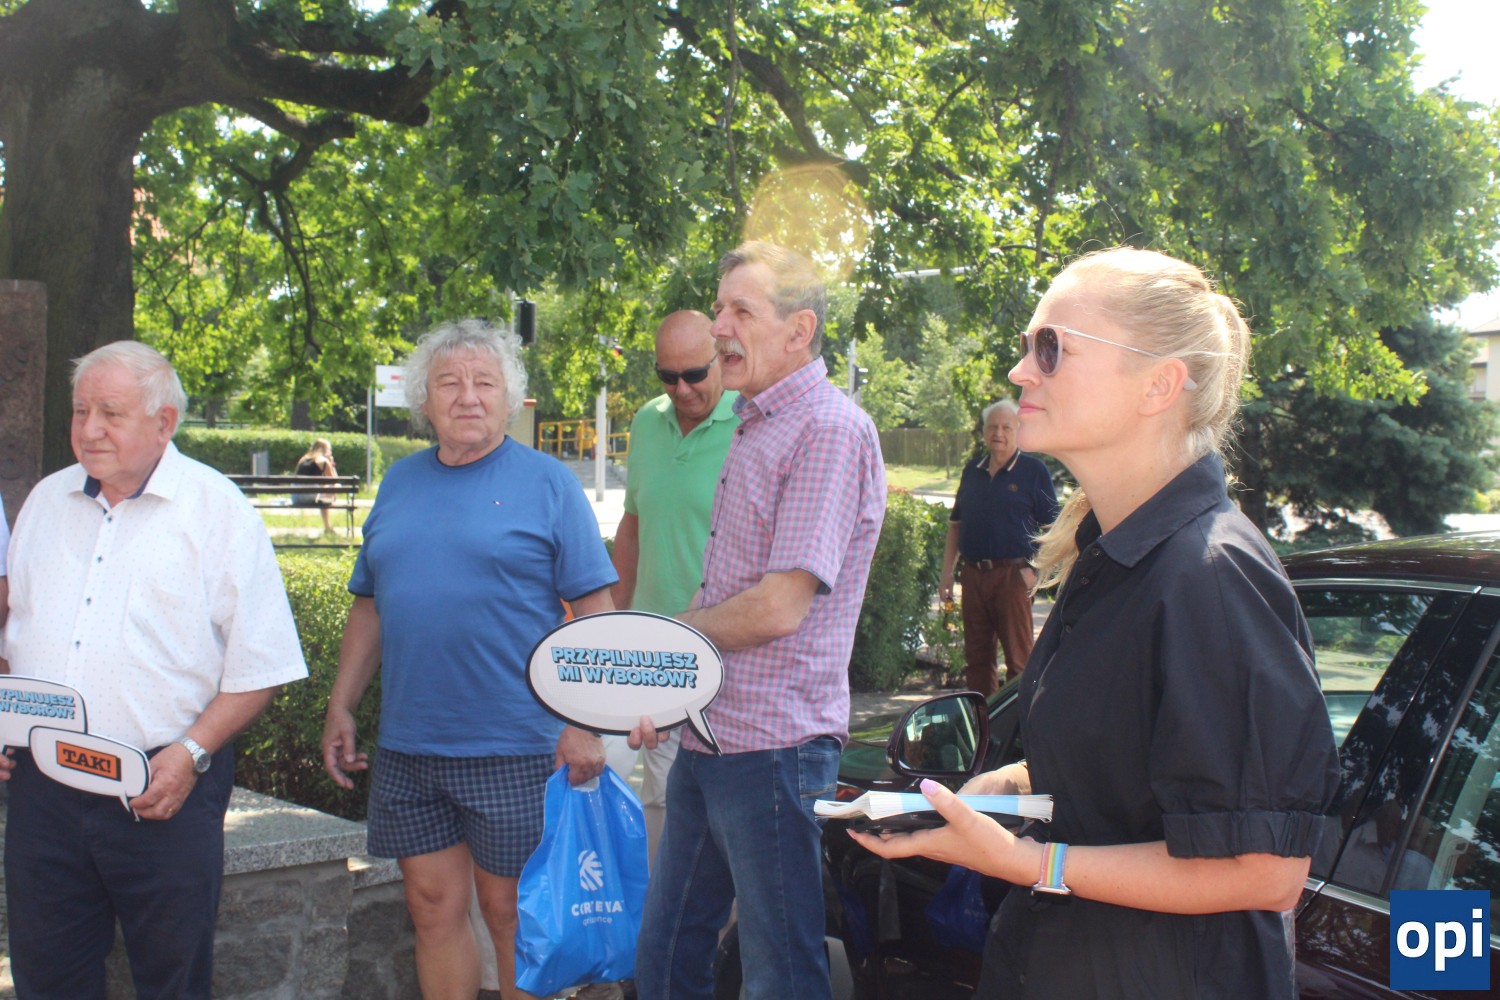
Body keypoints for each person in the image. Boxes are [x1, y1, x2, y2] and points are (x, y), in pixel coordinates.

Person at [850, 247, 1341, 999]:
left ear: (1159, 384)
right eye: (1026, 345)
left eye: (1051, 348)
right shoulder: (1113, 557)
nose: (1021, 370)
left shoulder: (1211, 577)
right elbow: (1113, 773)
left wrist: (1029, 862)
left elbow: (1265, 872)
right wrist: (987, 793)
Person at [320, 319, 621, 1000]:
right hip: (411, 745)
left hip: (520, 744)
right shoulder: (399, 483)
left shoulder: (549, 484)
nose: (467, 396)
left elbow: (596, 614)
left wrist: (584, 723)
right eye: (448, 383)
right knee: (430, 908)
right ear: (422, 400)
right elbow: (370, 604)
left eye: (484, 382)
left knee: (513, 917)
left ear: (509, 399)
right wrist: (342, 704)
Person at [0, 340, 308, 1000]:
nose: (89, 429)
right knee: (46, 979)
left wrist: (191, 753)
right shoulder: (46, 502)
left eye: (110, 413)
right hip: (43, 792)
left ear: (163, 422)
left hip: (160, 786)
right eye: (81, 411)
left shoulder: (217, 509)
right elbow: (15, 634)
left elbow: (262, 664)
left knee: (172, 982)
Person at [633, 242, 887, 1000]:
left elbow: (778, 607)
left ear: (798, 329)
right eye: (720, 308)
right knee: (666, 955)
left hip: (776, 746)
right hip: (711, 734)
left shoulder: (828, 429)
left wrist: (662, 646)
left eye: (740, 310)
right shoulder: (755, 421)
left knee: (781, 975)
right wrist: (660, 686)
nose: (719, 327)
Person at [609, 309, 739, 863]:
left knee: (717, 815)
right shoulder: (646, 421)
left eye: (694, 374)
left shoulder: (751, 423)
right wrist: (610, 621)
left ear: (721, 359)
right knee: (651, 795)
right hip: (649, 652)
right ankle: (656, 910)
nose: (681, 389)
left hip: (724, 655)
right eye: (668, 377)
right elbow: (633, 525)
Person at [938, 399, 1058, 691]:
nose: (998, 433)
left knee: (1019, 661)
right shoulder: (972, 471)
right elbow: (956, 526)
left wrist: (1035, 572)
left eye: (1006, 427)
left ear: (1018, 430)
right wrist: (947, 574)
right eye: (992, 427)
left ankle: (1018, 720)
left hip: (1012, 578)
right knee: (977, 661)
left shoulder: (1034, 471)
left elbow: (1053, 531)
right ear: (984, 431)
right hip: (973, 576)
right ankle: (984, 718)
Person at [292, 436, 338, 533]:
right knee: (328, 492)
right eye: (329, 450)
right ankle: (328, 527)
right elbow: (334, 480)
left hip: (295, 496)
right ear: (324, 450)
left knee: (323, 490)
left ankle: (327, 527)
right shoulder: (323, 460)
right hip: (308, 496)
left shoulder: (303, 459)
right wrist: (331, 463)